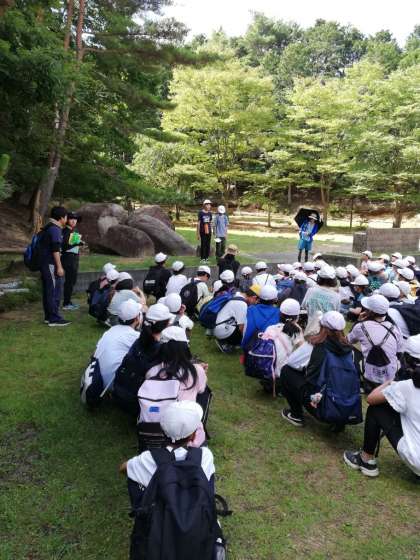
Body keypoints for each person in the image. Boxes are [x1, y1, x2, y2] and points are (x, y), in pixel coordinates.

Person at [120, 401, 222, 560]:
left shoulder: (147, 460)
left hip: (159, 535)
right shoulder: (205, 456)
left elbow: (124, 468)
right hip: (198, 530)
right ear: (193, 435)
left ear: (162, 430)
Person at [343, 334, 420, 478]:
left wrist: (392, 381)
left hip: (418, 460)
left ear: (408, 360)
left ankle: (366, 459)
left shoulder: (405, 387)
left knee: (377, 409)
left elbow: (371, 399)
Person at [280, 311, 356, 429]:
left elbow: (292, 362)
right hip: (343, 403)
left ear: (322, 326)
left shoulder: (315, 345)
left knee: (286, 371)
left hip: (318, 402)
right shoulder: (350, 350)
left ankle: (296, 414)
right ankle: (337, 423)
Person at [142, 326, 208, 446]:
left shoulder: (152, 371)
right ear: (185, 347)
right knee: (204, 393)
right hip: (186, 432)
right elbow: (201, 389)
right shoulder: (196, 371)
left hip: (154, 429)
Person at [113, 303, 173, 416]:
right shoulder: (161, 350)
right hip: (137, 405)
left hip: (119, 393)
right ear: (167, 324)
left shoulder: (139, 340)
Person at [347, 294, 403, 393]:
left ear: (370, 311)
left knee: (351, 349)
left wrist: (358, 321)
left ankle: (360, 381)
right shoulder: (395, 328)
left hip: (370, 376)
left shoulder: (361, 326)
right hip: (391, 375)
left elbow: (347, 340)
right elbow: (399, 351)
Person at [94, 300, 142, 392]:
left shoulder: (111, 330)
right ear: (137, 318)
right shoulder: (134, 336)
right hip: (113, 384)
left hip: (97, 377)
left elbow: (94, 353)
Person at [39, 206, 70, 327]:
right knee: (53, 291)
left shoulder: (48, 226)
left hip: (45, 263)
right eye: (66, 217)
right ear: (61, 218)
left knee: (48, 291)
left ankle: (49, 317)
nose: (67, 219)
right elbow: (55, 250)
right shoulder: (55, 229)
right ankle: (54, 318)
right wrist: (59, 267)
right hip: (50, 264)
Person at [213, 286, 257, 353]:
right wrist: (247, 341)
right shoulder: (242, 304)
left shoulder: (236, 294)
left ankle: (225, 341)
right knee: (249, 329)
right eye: (256, 301)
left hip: (218, 326)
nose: (255, 303)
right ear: (254, 297)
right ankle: (225, 342)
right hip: (223, 329)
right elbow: (241, 327)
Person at [241, 285, 280, 349]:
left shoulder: (251, 309)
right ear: (275, 299)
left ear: (259, 297)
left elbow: (246, 329)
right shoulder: (278, 313)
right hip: (269, 348)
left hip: (250, 347)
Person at [61, 211, 84, 310]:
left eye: (75, 219)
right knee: (69, 282)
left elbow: (73, 244)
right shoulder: (65, 231)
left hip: (74, 258)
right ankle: (66, 303)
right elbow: (64, 246)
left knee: (72, 281)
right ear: (67, 220)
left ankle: (68, 301)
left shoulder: (74, 230)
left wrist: (78, 243)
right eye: (71, 219)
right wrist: (78, 243)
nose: (74, 221)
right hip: (68, 259)